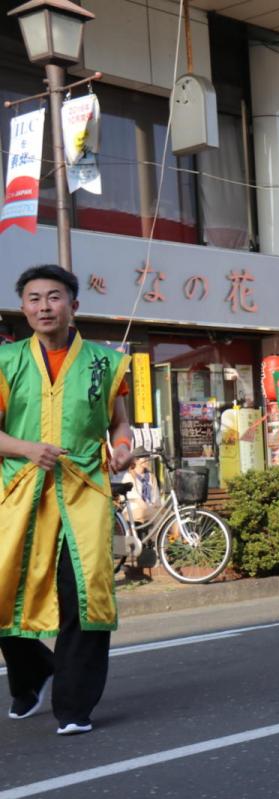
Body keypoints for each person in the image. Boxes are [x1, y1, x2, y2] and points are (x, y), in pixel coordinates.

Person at [0, 265, 133, 736]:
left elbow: (119, 421)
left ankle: (74, 706)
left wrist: (121, 447)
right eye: (34, 298)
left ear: (73, 305)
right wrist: (27, 449)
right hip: (18, 493)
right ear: (23, 307)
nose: (43, 307)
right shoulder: (6, 361)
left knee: (85, 596)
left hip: (83, 491)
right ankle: (33, 671)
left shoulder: (104, 362)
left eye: (54, 297)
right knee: (3, 592)